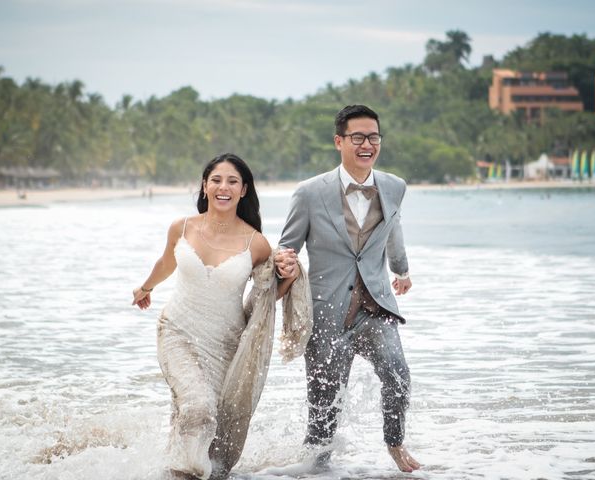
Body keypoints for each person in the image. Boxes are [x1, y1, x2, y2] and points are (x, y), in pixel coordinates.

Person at [132, 153, 309, 480]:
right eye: (216, 180)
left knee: (204, 422)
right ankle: (187, 472)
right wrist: (145, 288)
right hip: (176, 332)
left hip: (225, 346)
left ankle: (176, 471)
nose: (223, 187)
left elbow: (265, 298)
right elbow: (166, 264)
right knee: (199, 408)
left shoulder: (255, 243)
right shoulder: (182, 227)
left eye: (232, 181)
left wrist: (290, 274)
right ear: (204, 186)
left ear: (244, 190)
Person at [275, 105, 421, 473]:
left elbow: (393, 228)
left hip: (375, 307)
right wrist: (283, 264)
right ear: (339, 141)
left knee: (398, 374)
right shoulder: (309, 193)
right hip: (326, 313)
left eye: (373, 137)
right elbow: (287, 245)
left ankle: (395, 443)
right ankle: (315, 468)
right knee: (323, 410)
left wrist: (401, 270)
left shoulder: (394, 186)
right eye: (358, 137)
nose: (367, 144)